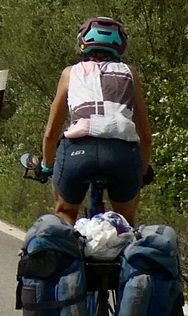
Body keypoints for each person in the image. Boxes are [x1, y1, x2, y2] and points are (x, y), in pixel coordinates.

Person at [40, 16, 152, 224]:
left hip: (77, 152)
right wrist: (142, 172)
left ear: (82, 42)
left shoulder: (70, 73)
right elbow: (145, 136)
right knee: (125, 221)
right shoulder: (130, 73)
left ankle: (66, 238)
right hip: (122, 155)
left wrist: (47, 166)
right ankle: (123, 238)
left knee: (65, 212)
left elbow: (50, 135)